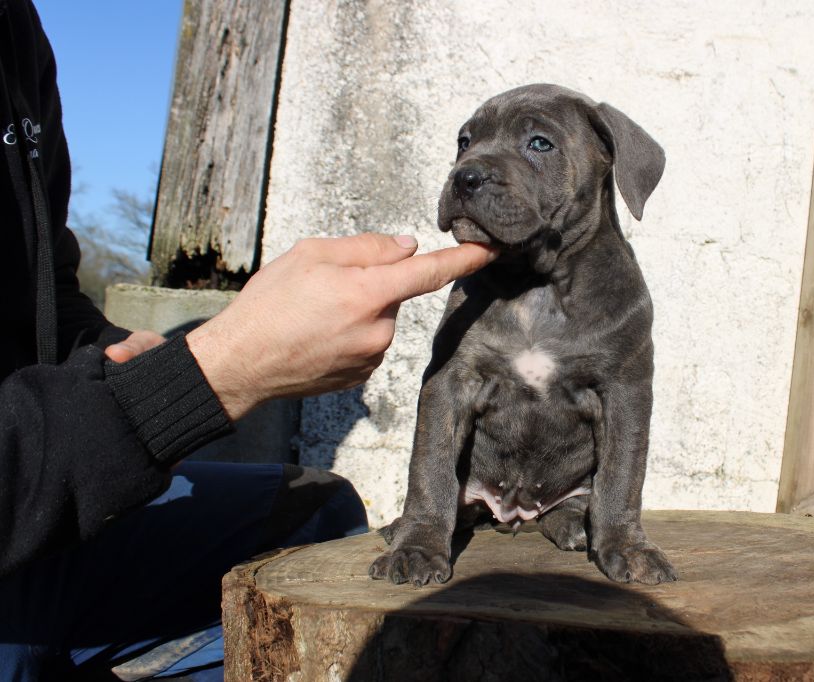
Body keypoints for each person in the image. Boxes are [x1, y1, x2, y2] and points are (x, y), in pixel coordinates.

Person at [0, 1, 496, 679]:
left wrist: (124, 352)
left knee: (313, 522)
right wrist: (210, 374)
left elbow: (46, 287)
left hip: (35, 526)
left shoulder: (15, 28)